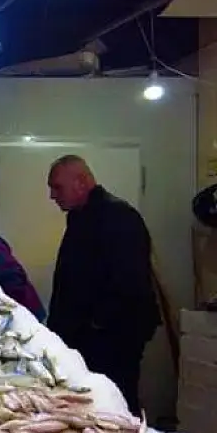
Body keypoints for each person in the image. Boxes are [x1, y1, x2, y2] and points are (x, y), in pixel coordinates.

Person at [45, 154, 159, 413]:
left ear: (81, 182)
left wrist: (95, 325)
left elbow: (129, 282)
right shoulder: (82, 216)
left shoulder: (118, 217)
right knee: (93, 404)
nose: (52, 195)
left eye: (57, 187)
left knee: (114, 402)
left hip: (112, 338)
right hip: (91, 334)